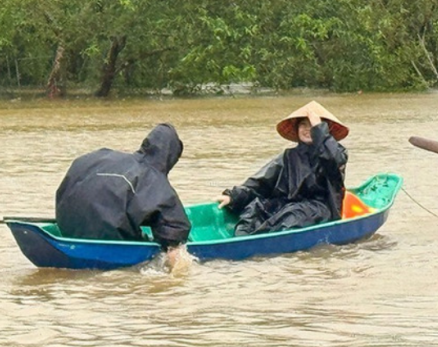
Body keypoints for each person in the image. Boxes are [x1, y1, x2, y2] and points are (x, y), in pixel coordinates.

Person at [55, 123, 191, 265]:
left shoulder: (99, 157)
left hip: (67, 228)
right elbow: (176, 229)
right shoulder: (153, 179)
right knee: (175, 249)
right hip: (109, 238)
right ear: (171, 156)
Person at [217, 101, 349, 235]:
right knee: (255, 208)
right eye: (303, 125)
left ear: (322, 130)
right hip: (287, 205)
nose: (307, 129)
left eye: (312, 126)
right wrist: (234, 197)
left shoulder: (337, 154)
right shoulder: (288, 156)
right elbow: (260, 183)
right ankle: (241, 241)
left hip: (321, 208)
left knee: (293, 215)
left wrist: (319, 129)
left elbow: (333, 160)